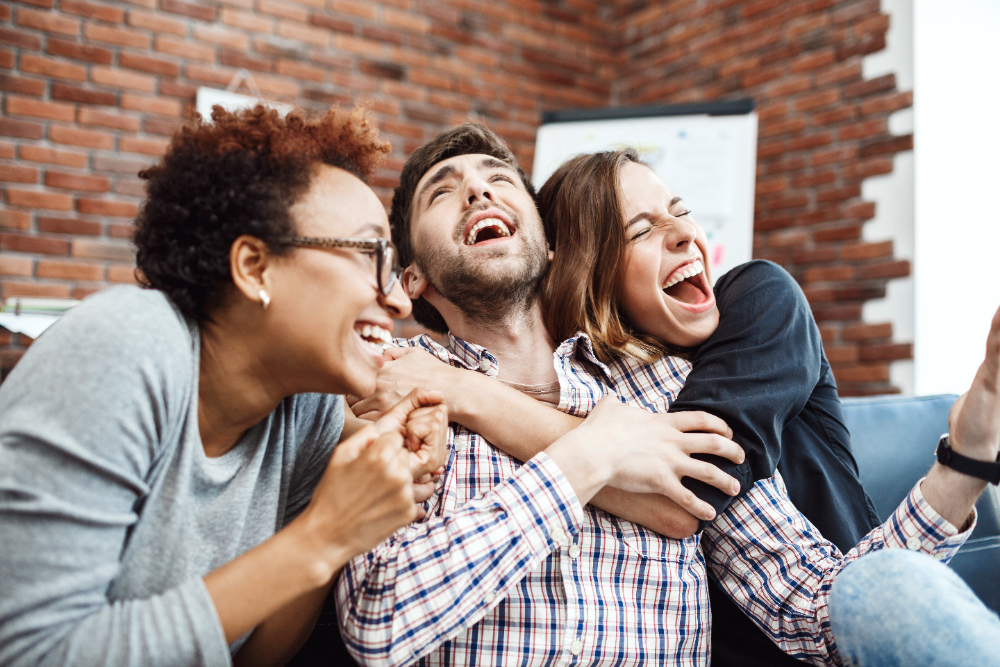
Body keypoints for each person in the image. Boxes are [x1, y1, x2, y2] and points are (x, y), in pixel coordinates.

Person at [336, 123, 991, 666]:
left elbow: (817, 609)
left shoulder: (667, 391)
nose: (477, 188)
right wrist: (588, 456)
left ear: (552, 247)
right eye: (442, 193)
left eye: (499, 179)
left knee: (892, 587)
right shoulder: (396, 389)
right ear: (413, 278)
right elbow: (378, 618)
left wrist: (964, 459)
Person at [0, 105, 451, 666]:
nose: (400, 300)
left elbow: (255, 658)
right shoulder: (124, 344)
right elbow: (30, 654)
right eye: (369, 254)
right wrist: (322, 537)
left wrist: (346, 515)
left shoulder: (305, 412)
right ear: (255, 267)